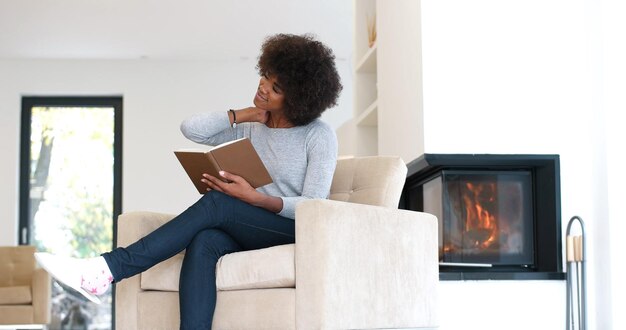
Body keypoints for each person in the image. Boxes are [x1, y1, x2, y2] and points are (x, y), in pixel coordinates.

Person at [35, 33, 342, 329]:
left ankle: (107, 269)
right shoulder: (253, 124)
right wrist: (243, 114)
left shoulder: (318, 135)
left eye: (275, 88)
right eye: (266, 76)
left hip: (292, 229)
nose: (263, 87)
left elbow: (313, 205)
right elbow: (191, 128)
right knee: (205, 240)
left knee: (218, 205)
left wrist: (255, 198)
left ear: (297, 99)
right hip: (248, 225)